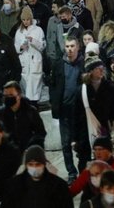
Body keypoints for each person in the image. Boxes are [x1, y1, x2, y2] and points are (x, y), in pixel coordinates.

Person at [49, 35, 84, 181]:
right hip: (64, 110)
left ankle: (83, 170)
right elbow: (53, 85)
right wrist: (54, 103)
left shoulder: (83, 64)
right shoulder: (58, 64)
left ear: (78, 47)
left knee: (81, 143)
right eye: (67, 46)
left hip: (80, 111)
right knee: (65, 143)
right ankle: (71, 172)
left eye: (72, 46)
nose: (69, 49)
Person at [1, 145, 72, 207]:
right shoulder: (13, 185)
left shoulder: (59, 186)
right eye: (31, 164)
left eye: (38, 164)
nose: (34, 167)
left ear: (44, 164)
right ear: (26, 165)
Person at [0, 80, 46, 150]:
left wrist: (32, 146)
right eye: (5, 95)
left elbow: (40, 132)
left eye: (11, 95)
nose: (8, 98)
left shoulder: (30, 111)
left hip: (27, 152)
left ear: (19, 96)